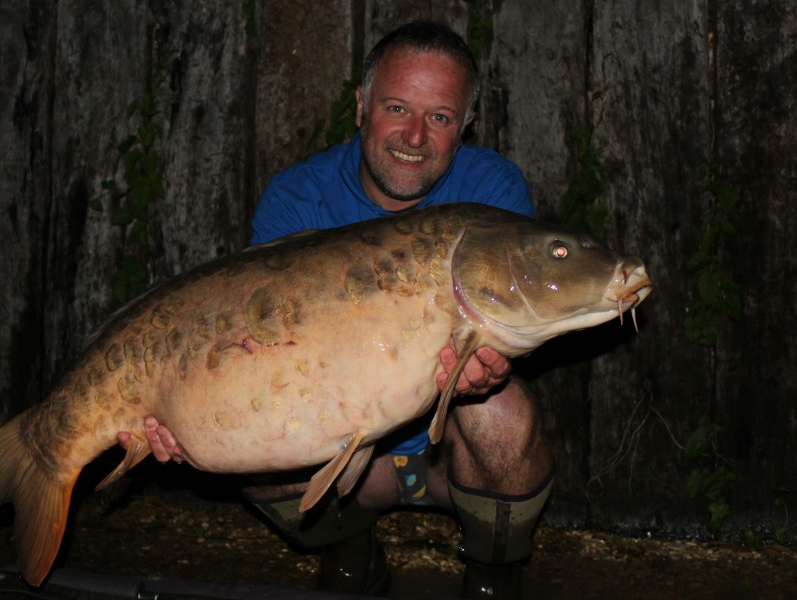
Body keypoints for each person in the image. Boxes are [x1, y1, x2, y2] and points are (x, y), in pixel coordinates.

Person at [120, 21, 554, 599]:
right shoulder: (297, 199)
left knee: (501, 412)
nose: (415, 136)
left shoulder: (492, 194)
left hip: (450, 456)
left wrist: (488, 370)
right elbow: (245, 356)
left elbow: (507, 329)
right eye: (397, 107)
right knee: (250, 441)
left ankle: (493, 577)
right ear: (361, 105)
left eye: (441, 117)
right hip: (353, 465)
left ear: (466, 124)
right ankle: (351, 552)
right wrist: (180, 410)